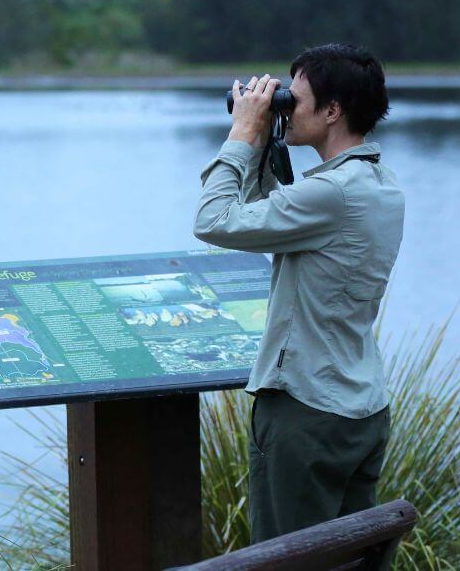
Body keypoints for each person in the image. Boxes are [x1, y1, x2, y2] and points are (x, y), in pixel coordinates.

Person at [192, 43, 405, 545]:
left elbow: (213, 221)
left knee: (289, 557)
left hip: (306, 413)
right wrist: (269, 145)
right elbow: (274, 220)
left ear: (332, 111)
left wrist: (243, 134)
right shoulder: (378, 181)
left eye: (295, 98)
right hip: (361, 407)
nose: (284, 105)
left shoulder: (331, 193)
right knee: (344, 558)